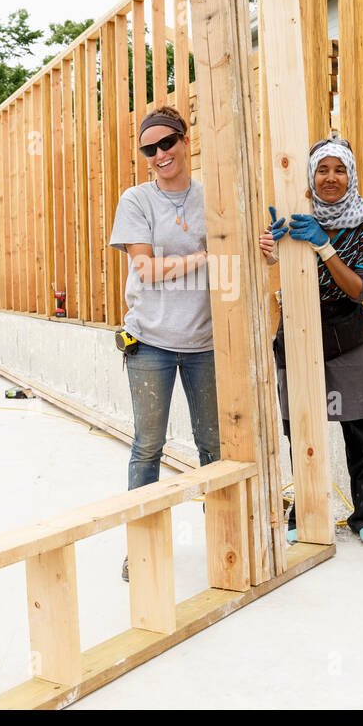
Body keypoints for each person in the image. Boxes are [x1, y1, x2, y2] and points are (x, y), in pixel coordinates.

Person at [109, 105, 220, 581]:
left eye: (166, 144)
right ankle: (143, 548)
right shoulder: (136, 200)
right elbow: (146, 269)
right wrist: (203, 256)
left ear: (184, 140)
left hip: (206, 342)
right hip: (150, 341)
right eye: (148, 149)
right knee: (148, 446)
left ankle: (225, 537)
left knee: (214, 445)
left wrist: (260, 246)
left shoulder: (212, 197)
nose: (158, 155)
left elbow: (240, 253)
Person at [259, 135, 363, 546]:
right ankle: (305, 508)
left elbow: (358, 290)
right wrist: (268, 249)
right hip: (296, 327)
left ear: (351, 175)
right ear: (310, 177)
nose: (331, 178)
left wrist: (324, 245)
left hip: (346, 330)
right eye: (322, 169)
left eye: (340, 169)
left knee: (355, 424)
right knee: (299, 425)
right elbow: (273, 271)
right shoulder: (296, 216)